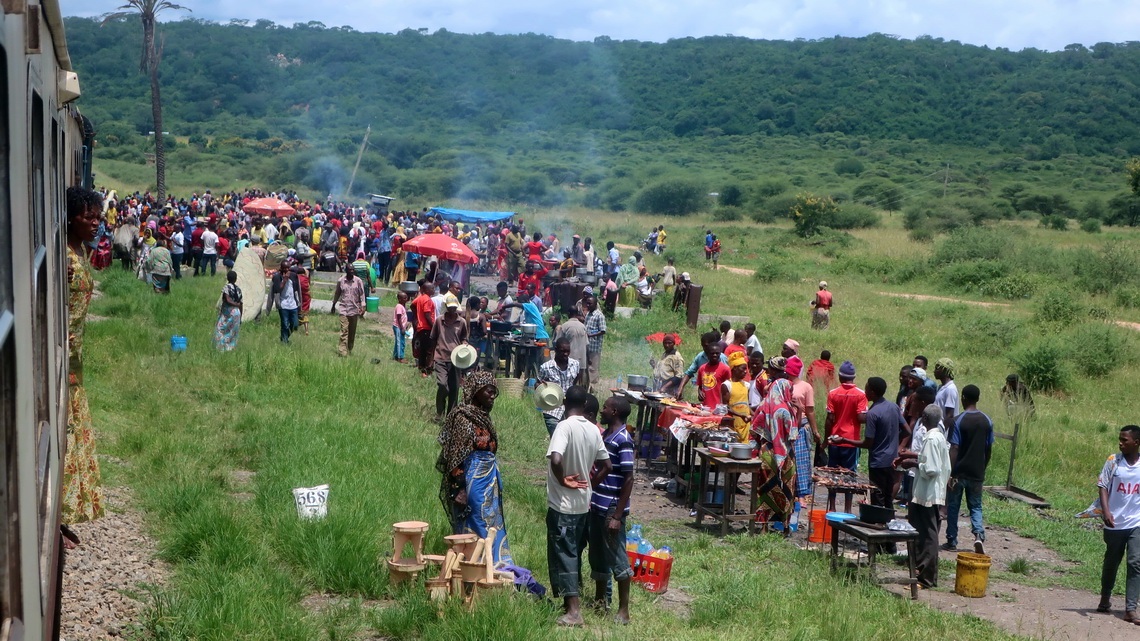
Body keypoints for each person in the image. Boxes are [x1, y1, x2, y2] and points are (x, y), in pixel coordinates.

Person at [546, 386, 611, 627]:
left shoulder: (564, 427)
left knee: (565, 555)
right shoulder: (593, 430)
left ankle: (573, 612)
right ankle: (571, 603)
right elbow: (607, 465)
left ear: (564, 402)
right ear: (585, 404)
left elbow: (556, 458)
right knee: (573, 552)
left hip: (563, 505)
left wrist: (563, 479)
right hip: (583, 505)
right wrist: (590, 484)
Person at [436, 371, 512, 563]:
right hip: (471, 481)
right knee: (477, 519)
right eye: (488, 391)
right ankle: (473, 565)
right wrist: (459, 488)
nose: (492, 396)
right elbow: (455, 456)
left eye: (495, 392)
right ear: (476, 390)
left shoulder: (482, 416)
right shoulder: (464, 417)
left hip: (488, 480)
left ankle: (494, 564)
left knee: (492, 521)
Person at [62, 187, 105, 523]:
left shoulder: (79, 251)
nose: (95, 222)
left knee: (74, 428)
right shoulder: (64, 258)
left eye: (97, 216)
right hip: (63, 353)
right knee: (66, 430)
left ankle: (72, 507)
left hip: (76, 355)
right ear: (71, 216)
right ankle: (62, 507)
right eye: (88, 216)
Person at [589, 396, 636, 625]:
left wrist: (618, 515)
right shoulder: (605, 435)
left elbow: (628, 479)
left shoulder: (623, 439)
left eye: (605, 408)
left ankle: (623, 610)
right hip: (597, 504)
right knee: (597, 555)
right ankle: (600, 602)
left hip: (611, 508)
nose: (602, 410)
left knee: (617, 556)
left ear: (615, 411)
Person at [895, 405, 951, 588]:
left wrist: (913, 463)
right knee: (923, 533)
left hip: (929, 493)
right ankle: (923, 573)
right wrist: (915, 460)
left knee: (928, 535)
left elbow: (932, 469)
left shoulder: (933, 439)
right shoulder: (937, 437)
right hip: (928, 492)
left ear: (925, 419)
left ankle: (925, 578)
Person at [831, 377, 903, 511]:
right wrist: (896, 445)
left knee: (877, 498)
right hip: (892, 460)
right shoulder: (893, 407)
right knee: (888, 497)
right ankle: (888, 524)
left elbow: (868, 444)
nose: (865, 392)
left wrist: (844, 440)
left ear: (873, 392)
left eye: (867, 389)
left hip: (878, 462)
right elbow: (907, 430)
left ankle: (878, 524)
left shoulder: (873, 413)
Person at [1097, 425, 1140, 621]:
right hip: (1114, 521)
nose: (1120, 443)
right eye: (1120, 439)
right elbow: (1103, 485)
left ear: (1136, 442)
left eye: (1125, 440)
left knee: (1135, 562)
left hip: (1136, 521)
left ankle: (1131, 609)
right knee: (1112, 561)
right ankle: (1105, 597)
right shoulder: (1113, 461)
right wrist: (1106, 511)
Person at [944, 384, 994, 553]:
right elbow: (988, 449)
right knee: (976, 506)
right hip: (976, 472)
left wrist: (949, 473)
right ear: (978, 399)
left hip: (959, 472)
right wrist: (983, 468)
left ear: (963, 397)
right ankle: (979, 535)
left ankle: (951, 540)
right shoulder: (987, 421)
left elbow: (954, 448)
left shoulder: (958, 420)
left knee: (953, 506)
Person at [751, 367, 797, 533]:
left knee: (764, 490)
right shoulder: (786, 409)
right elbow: (793, 435)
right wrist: (797, 412)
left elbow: (754, 430)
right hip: (785, 456)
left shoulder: (764, 405)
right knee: (786, 490)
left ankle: (763, 526)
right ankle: (785, 526)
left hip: (766, 454)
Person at [786, 358, 821, 501]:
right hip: (786, 426)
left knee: (801, 461)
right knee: (788, 460)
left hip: (801, 427)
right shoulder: (782, 384)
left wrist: (815, 431)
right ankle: (789, 491)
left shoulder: (806, 387)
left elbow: (810, 410)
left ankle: (801, 495)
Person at [824, 360, 867, 473]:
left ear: (840, 376)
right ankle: (848, 491)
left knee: (832, 472)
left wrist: (825, 440)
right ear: (854, 377)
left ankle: (832, 491)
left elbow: (829, 419)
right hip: (851, 440)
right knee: (849, 473)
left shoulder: (833, 393)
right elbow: (860, 418)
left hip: (834, 439)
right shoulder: (861, 394)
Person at [431, 300, 470, 422]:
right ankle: (439, 412)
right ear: (446, 307)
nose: (452, 309)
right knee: (443, 385)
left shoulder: (461, 322)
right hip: (441, 356)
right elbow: (433, 338)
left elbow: (464, 337)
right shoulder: (439, 320)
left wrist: (464, 343)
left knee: (454, 389)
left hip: (456, 359)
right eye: (450, 307)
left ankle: (450, 417)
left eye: (454, 307)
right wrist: (430, 359)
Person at [540, 338, 581, 436]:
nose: (566, 354)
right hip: (552, 410)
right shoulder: (546, 367)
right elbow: (538, 384)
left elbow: (576, 380)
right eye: (563, 351)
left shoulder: (575, 364)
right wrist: (543, 386)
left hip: (571, 410)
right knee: (556, 439)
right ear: (556, 350)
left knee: (570, 440)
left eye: (568, 351)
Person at [677, 331, 729, 402]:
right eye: (703, 346)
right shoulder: (700, 357)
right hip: (706, 400)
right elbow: (689, 373)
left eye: (707, 346)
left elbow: (728, 382)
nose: (704, 348)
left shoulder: (722, 358)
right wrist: (680, 388)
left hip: (719, 399)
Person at [330, 263, 366, 357]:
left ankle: (349, 348)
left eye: (353, 270)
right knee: (344, 331)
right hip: (344, 309)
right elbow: (337, 293)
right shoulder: (341, 281)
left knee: (352, 332)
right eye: (350, 270)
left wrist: (363, 306)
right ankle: (343, 352)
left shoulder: (358, 281)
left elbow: (362, 294)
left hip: (354, 310)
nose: (351, 271)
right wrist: (333, 305)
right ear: (346, 270)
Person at [267, 261, 301, 344]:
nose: (287, 270)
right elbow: (276, 290)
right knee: (285, 324)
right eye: (285, 268)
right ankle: (285, 342)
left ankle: (284, 337)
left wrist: (300, 304)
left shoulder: (294, 276)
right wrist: (285, 279)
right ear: (281, 268)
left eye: (288, 267)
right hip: (283, 305)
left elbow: (298, 290)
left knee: (295, 324)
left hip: (293, 304)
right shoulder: (277, 277)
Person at [555, 308, 589, 385]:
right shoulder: (583, 326)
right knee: (579, 383)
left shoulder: (565, 326)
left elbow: (558, 342)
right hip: (581, 359)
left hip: (569, 359)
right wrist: (588, 358)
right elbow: (587, 344)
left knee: (567, 383)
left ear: (568, 313)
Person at [724, 351, 752, 442]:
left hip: (746, 426)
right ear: (735, 368)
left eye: (746, 369)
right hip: (733, 426)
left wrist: (756, 416)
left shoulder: (747, 385)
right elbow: (725, 407)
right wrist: (740, 415)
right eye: (743, 369)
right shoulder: (727, 385)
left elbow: (747, 406)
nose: (745, 372)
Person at [694, 341, 730, 411]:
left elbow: (729, 389)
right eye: (712, 353)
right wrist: (700, 392)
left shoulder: (725, 369)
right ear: (707, 354)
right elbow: (700, 386)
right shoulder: (702, 369)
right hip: (705, 407)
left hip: (719, 408)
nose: (715, 355)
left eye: (717, 353)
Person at [411, 281, 437, 376]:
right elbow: (427, 314)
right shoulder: (427, 300)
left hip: (421, 328)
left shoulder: (420, 298)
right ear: (426, 290)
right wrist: (434, 326)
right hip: (427, 327)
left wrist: (417, 317)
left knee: (422, 349)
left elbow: (412, 305)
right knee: (429, 350)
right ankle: (427, 370)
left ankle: (421, 368)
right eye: (432, 288)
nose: (434, 290)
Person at [214, 270, 244, 351]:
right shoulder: (238, 289)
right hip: (237, 313)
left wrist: (234, 304)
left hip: (228, 312)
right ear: (236, 279)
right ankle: (230, 348)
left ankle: (220, 348)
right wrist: (240, 317)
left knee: (220, 329)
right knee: (232, 332)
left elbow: (227, 300)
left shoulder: (227, 287)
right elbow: (241, 304)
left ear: (227, 278)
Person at [584, 295, 606, 392]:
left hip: (595, 346)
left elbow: (602, 331)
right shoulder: (588, 314)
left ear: (595, 304)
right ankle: (586, 387)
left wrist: (590, 335)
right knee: (586, 368)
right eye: (587, 303)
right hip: (587, 346)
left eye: (590, 303)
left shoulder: (599, 315)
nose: (588, 305)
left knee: (593, 369)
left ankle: (593, 389)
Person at [934, 358, 959, 425]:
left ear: (944, 370)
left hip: (944, 431)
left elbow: (950, 415)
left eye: (937, 369)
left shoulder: (950, 389)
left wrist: (942, 431)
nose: (934, 371)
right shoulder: (940, 387)